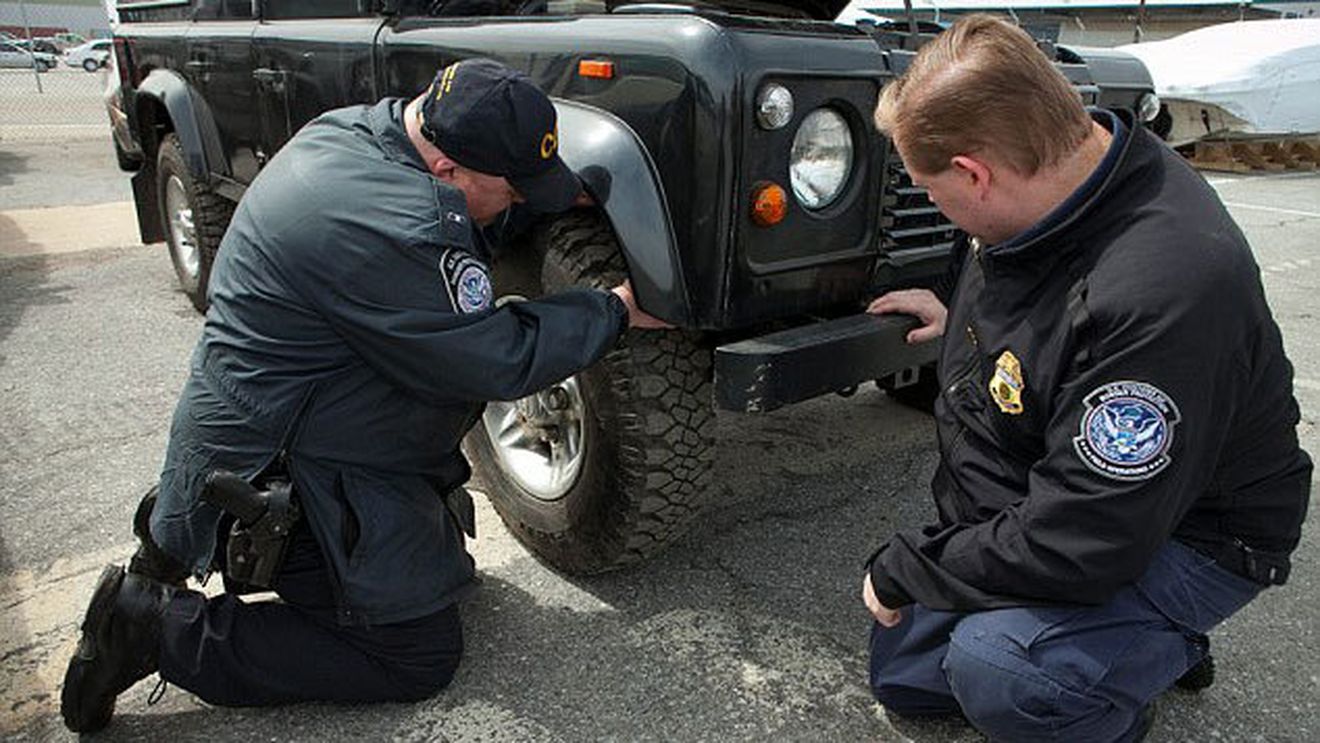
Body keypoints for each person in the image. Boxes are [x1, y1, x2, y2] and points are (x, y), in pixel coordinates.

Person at [62, 58, 669, 733]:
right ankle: (153, 629)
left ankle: (177, 560)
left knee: (433, 569)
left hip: (284, 418)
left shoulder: (359, 134)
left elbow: (469, 219)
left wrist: (551, 193)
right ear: (449, 172)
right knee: (416, 654)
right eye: (516, 189)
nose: (523, 201)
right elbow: (493, 357)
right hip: (279, 471)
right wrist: (610, 311)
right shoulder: (394, 225)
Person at [860, 15, 1311, 743]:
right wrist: (960, 315)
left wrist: (912, 566)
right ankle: (1125, 642)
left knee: (1006, 676)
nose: (940, 209)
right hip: (1085, 495)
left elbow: (1088, 536)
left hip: (1193, 530)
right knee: (907, 672)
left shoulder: (1160, 290)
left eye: (932, 191)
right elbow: (1035, 289)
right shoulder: (1065, 167)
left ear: (975, 172)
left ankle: (1138, 669)